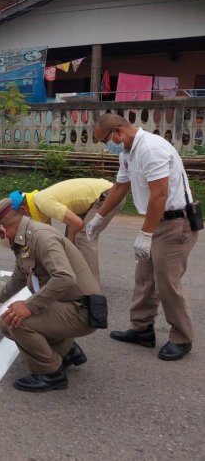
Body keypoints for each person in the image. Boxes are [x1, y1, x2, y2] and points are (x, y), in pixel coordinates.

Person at [87, 113, 199, 361]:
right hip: (157, 222)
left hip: (175, 222)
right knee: (144, 277)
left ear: (118, 131)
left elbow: (159, 195)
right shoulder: (127, 152)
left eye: (105, 140)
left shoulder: (150, 148)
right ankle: (142, 329)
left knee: (167, 282)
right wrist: (98, 218)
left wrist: (145, 234)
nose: (106, 145)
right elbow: (119, 188)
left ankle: (182, 338)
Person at [0, 197, 104, 392]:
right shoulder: (22, 238)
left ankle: (51, 373)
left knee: (15, 321)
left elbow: (64, 277)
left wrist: (28, 306)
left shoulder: (41, 237)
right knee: (4, 322)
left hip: (83, 309)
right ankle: (68, 352)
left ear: (2, 231)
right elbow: (20, 275)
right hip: (68, 304)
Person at [8, 177, 125, 282]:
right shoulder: (37, 205)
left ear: (23, 209)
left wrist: (68, 242)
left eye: (17, 215)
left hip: (109, 196)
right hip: (96, 197)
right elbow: (47, 235)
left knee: (83, 236)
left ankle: (92, 287)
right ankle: (74, 276)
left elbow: (76, 223)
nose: (21, 218)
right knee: (70, 238)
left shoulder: (43, 202)